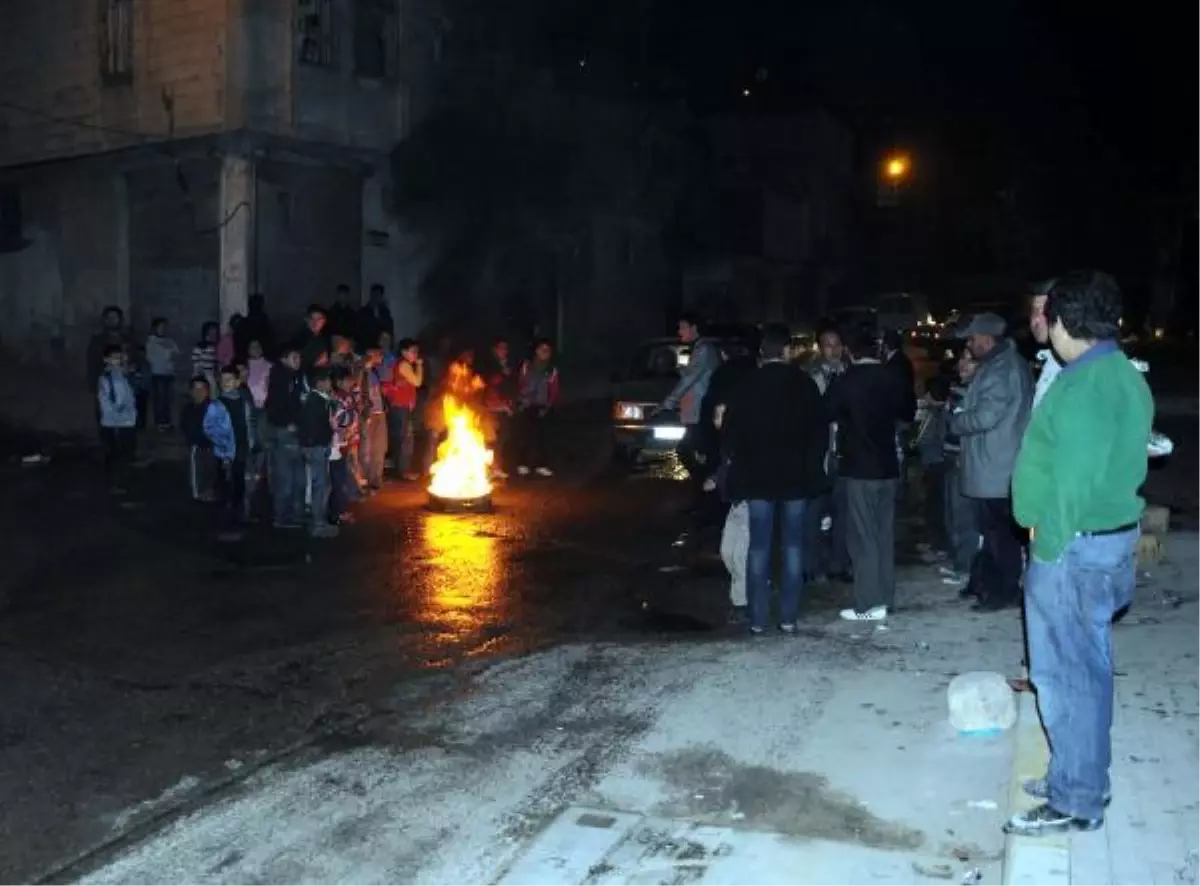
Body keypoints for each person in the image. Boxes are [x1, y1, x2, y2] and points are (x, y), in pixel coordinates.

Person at [1003, 271, 1152, 837]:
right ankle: (1080, 773)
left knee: (1066, 675)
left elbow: (1073, 482)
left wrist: (1048, 549)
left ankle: (1076, 798)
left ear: (1066, 321)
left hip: (1074, 550)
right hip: (1101, 543)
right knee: (1083, 670)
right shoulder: (1120, 373)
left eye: (1051, 318)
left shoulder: (1086, 385)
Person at [721, 324, 829, 634]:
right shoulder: (804, 384)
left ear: (761, 353)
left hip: (756, 480)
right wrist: (812, 469)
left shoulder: (745, 386)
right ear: (786, 351)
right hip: (795, 479)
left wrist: (740, 464)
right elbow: (819, 433)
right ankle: (788, 617)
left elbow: (729, 435)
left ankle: (757, 619)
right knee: (793, 547)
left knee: (758, 547)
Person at [826, 324, 915, 621]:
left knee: (862, 538)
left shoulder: (846, 381)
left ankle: (867, 603)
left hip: (859, 469)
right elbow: (907, 413)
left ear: (850, 352)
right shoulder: (893, 378)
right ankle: (885, 598)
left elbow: (825, 412)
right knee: (883, 535)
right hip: (888, 466)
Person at [949, 312, 1034, 611]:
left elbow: (986, 415)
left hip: (996, 467)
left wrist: (956, 421)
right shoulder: (1002, 364)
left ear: (986, 339)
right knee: (993, 533)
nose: (969, 345)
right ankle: (985, 585)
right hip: (994, 465)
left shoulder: (1001, 369)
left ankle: (1002, 593)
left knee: (1000, 538)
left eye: (972, 339)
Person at [806, 325, 851, 582]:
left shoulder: (850, 374)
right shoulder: (812, 376)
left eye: (836, 344)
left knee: (842, 511)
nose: (832, 349)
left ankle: (838, 564)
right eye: (827, 344)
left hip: (844, 452)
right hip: (820, 452)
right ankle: (813, 565)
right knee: (815, 512)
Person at [661, 314, 722, 493]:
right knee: (692, 453)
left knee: (694, 454)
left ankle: (707, 496)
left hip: (700, 412)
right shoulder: (700, 349)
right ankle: (702, 496)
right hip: (697, 412)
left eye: (682, 327)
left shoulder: (703, 349)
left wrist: (669, 402)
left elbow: (690, 378)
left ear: (694, 328)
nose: (679, 331)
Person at [940, 346, 981, 587]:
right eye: (961, 359)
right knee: (954, 514)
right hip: (952, 457)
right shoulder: (957, 389)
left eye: (970, 361)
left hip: (966, 460)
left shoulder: (976, 391)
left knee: (965, 517)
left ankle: (967, 567)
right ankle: (960, 562)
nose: (963, 366)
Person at [265, 345, 306, 529]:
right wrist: (287, 422)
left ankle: (295, 513)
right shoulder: (282, 379)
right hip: (285, 431)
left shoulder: (295, 378)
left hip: (295, 430)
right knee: (286, 475)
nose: (298, 361)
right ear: (284, 359)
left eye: (299, 357)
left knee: (297, 475)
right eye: (294, 357)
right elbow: (278, 404)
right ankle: (282, 516)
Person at [299, 367, 338, 538]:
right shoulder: (315, 401)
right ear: (320, 383)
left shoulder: (321, 400)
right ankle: (318, 524)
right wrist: (311, 445)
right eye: (328, 380)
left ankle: (319, 520)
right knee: (320, 485)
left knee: (322, 484)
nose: (330, 384)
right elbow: (312, 426)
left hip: (318, 446)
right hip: (317, 447)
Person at [514, 339, 560, 477]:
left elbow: (554, 389)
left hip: (542, 406)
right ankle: (523, 464)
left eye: (547, 350)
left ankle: (542, 465)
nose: (544, 352)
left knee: (543, 437)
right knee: (526, 435)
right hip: (527, 405)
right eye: (542, 349)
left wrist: (548, 406)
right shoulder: (527, 366)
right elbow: (520, 383)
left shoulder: (552, 370)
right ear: (536, 350)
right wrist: (521, 401)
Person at [96, 344, 138, 491]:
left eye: (119, 358)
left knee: (125, 453)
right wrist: (115, 415)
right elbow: (105, 401)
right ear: (106, 359)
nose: (118, 360)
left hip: (127, 421)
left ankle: (122, 481)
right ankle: (114, 482)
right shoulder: (106, 378)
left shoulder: (126, 375)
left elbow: (131, 395)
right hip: (113, 422)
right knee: (114, 454)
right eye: (114, 358)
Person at [383, 339, 423, 479]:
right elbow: (418, 382)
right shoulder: (404, 365)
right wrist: (419, 366)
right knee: (404, 439)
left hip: (402, 406)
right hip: (400, 407)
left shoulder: (402, 364)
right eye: (413, 351)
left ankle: (401, 470)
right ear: (404, 352)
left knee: (404, 438)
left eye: (417, 351)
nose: (416, 354)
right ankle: (402, 471)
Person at [482, 338, 517, 479]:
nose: (503, 351)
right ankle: (488, 468)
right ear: (494, 350)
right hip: (492, 407)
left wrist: (509, 404)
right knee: (492, 438)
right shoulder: (489, 366)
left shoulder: (507, 366)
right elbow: (491, 387)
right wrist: (498, 405)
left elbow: (510, 386)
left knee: (503, 438)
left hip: (504, 406)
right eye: (500, 348)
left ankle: (496, 466)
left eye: (505, 348)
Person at [180, 376, 219, 502]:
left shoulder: (213, 407)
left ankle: (208, 490)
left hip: (211, 445)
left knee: (211, 469)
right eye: (195, 389)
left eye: (202, 389)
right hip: (196, 445)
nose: (199, 392)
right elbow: (187, 427)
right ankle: (198, 493)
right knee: (197, 468)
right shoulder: (188, 409)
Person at [86, 306, 132, 395]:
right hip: (104, 384)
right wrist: (92, 384)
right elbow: (92, 364)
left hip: (125, 384)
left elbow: (134, 360)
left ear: (120, 319)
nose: (112, 320)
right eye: (109, 318)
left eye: (114, 317)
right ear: (105, 320)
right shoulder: (97, 341)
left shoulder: (128, 340)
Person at [145, 317, 180, 431]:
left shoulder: (169, 341)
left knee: (168, 399)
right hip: (158, 373)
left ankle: (167, 421)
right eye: (161, 327)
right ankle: (160, 422)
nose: (163, 329)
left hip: (169, 373)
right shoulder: (151, 341)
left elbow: (177, 353)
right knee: (160, 398)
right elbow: (151, 357)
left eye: (165, 327)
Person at [358, 283, 394, 350]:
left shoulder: (384, 311)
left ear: (381, 296)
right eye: (374, 294)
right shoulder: (363, 311)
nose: (375, 297)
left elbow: (388, 329)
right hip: (366, 346)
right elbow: (359, 329)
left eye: (378, 295)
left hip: (380, 347)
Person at [298, 305, 330, 377]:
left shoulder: (322, 338)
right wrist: (315, 364)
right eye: (311, 318)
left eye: (319, 319)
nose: (315, 322)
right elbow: (299, 367)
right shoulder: (301, 339)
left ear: (324, 321)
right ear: (306, 319)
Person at [191, 322, 220, 390]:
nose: (215, 333)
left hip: (212, 377)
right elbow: (196, 364)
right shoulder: (199, 347)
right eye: (212, 331)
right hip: (202, 377)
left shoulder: (215, 347)